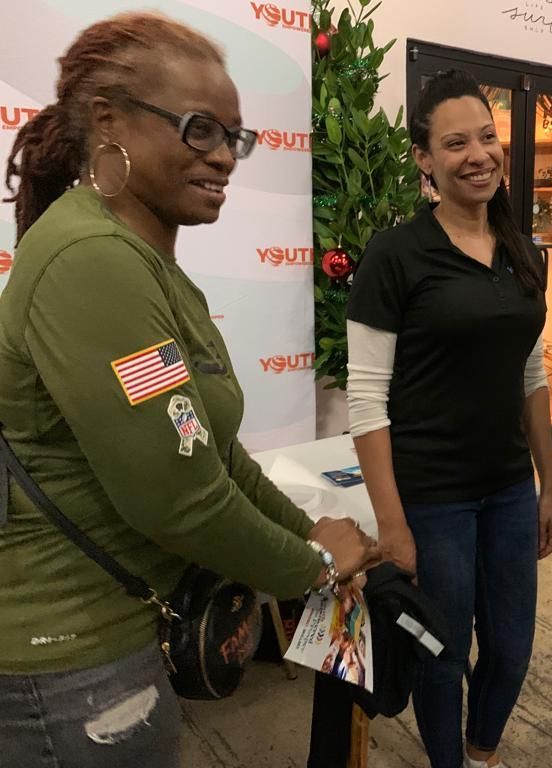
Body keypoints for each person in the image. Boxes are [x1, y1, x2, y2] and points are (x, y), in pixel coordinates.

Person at [0, 13, 378, 768]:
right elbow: (178, 499)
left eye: (233, 137)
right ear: (108, 123)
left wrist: (307, 531)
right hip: (73, 669)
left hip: (119, 645)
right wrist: (314, 568)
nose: (225, 158)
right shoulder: (90, 261)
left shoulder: (145, 265)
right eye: (199, 129)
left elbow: (213, 456)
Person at [346, 69, 552, 768]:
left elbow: (530, 371)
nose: (479, 154)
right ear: (424, 158)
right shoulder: (395, 255)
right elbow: (366, 397)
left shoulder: (522, 251)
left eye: (488, 137)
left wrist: (548, 484)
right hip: (431, 495)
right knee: (441, 653)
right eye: (456, 142)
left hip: (506, 488)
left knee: (511, 644)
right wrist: (392, 523)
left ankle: (482, 754)